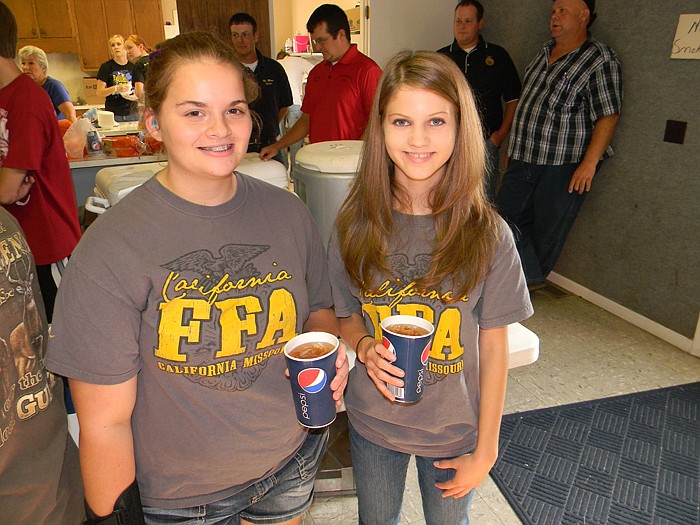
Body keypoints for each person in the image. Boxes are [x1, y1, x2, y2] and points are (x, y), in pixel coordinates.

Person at [45, 31, 348, 525]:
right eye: (193, 112)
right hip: (182, 500)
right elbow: (105, 424)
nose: (221, 129)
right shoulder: (111, 247)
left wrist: (328, 355)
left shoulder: (288, 214)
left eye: (234, 109)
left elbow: (317, 309)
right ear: (154, 124)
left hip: (292, 457)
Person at [328, 50, 533, 524]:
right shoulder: (354, 225)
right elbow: (344, 312)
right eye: (401, 121)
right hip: (373, 424)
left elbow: (495, 349)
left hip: (454, 429)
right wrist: (362, 345)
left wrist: (487, 450)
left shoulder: (488, 233)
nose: (418, 139)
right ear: (379, 129)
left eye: (436, 121)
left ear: (461, 128)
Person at [496, 0, 622, 287]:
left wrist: (589, 164)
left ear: (583, 16)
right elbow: (528, 103)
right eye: (553, 11)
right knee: (502, 220)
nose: (554, 16)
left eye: (562, 11)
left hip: (563, 166)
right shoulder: (542, 53)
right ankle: (528, 278)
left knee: (548, 230)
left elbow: (609, 115)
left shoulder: (599, 59)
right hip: (523, 157)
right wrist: (513, 148)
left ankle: (523, 286)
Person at [0, 8, 81, 324]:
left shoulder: (27, 101)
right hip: (18, 246)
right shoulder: (5, 98)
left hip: (47, 249)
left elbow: (8, 190)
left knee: (62, 340)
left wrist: (7, 183)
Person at [260, 4, 382, 162]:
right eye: (315, 41)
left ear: (341, 35)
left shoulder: (367, 71)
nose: (318, 47)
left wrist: (354, 158)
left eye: (322, 40)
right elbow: (306, 120)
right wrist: (278, 146)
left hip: (352, 167)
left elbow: (376, 122)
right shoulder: (317, 73)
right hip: (319, 163)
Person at [437, 0, 520, 201]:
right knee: (447, 199)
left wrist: (500, 135)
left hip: (485, 143)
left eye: (468, 21)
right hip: (448, 143)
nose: (462, 26)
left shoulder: (497, 56)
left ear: (480, 23)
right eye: (458, 21)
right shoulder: (441, 58)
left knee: (483, 202)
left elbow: (513, 98)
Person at [230, 12, 292, 164]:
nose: (240, 40)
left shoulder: (274, 69)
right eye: (235, 35)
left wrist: (268, 127)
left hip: (270, 146)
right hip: (235, 147)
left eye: (245, 34)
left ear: (255, 36)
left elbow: (284, 106)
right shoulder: (226, 70)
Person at [18, 45, 77, 123]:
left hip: (54, 132)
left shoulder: (54, 86)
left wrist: (75, 133)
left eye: (31, 63)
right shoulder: (22, 87)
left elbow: (70, 115)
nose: (26, 67)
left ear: (43, 67)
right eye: (23, 63)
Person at [276, 50, 313, 170]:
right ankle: (293, 172)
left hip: (279, 104)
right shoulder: (297, 60)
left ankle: (282, 169)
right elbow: (315, 70)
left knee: (279, 140)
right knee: (295, 140)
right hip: (296, 102)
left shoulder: (275, 64)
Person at [96, 34, 144, 122]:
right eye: (113, 45)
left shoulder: (134, 67)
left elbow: (140, 90)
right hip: (113, 114)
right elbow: (99, 92)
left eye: (118, 44)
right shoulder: (106, 67)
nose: (116, 47)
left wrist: (135, 96)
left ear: (125, 47)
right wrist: (116, 88)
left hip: (132, 113)